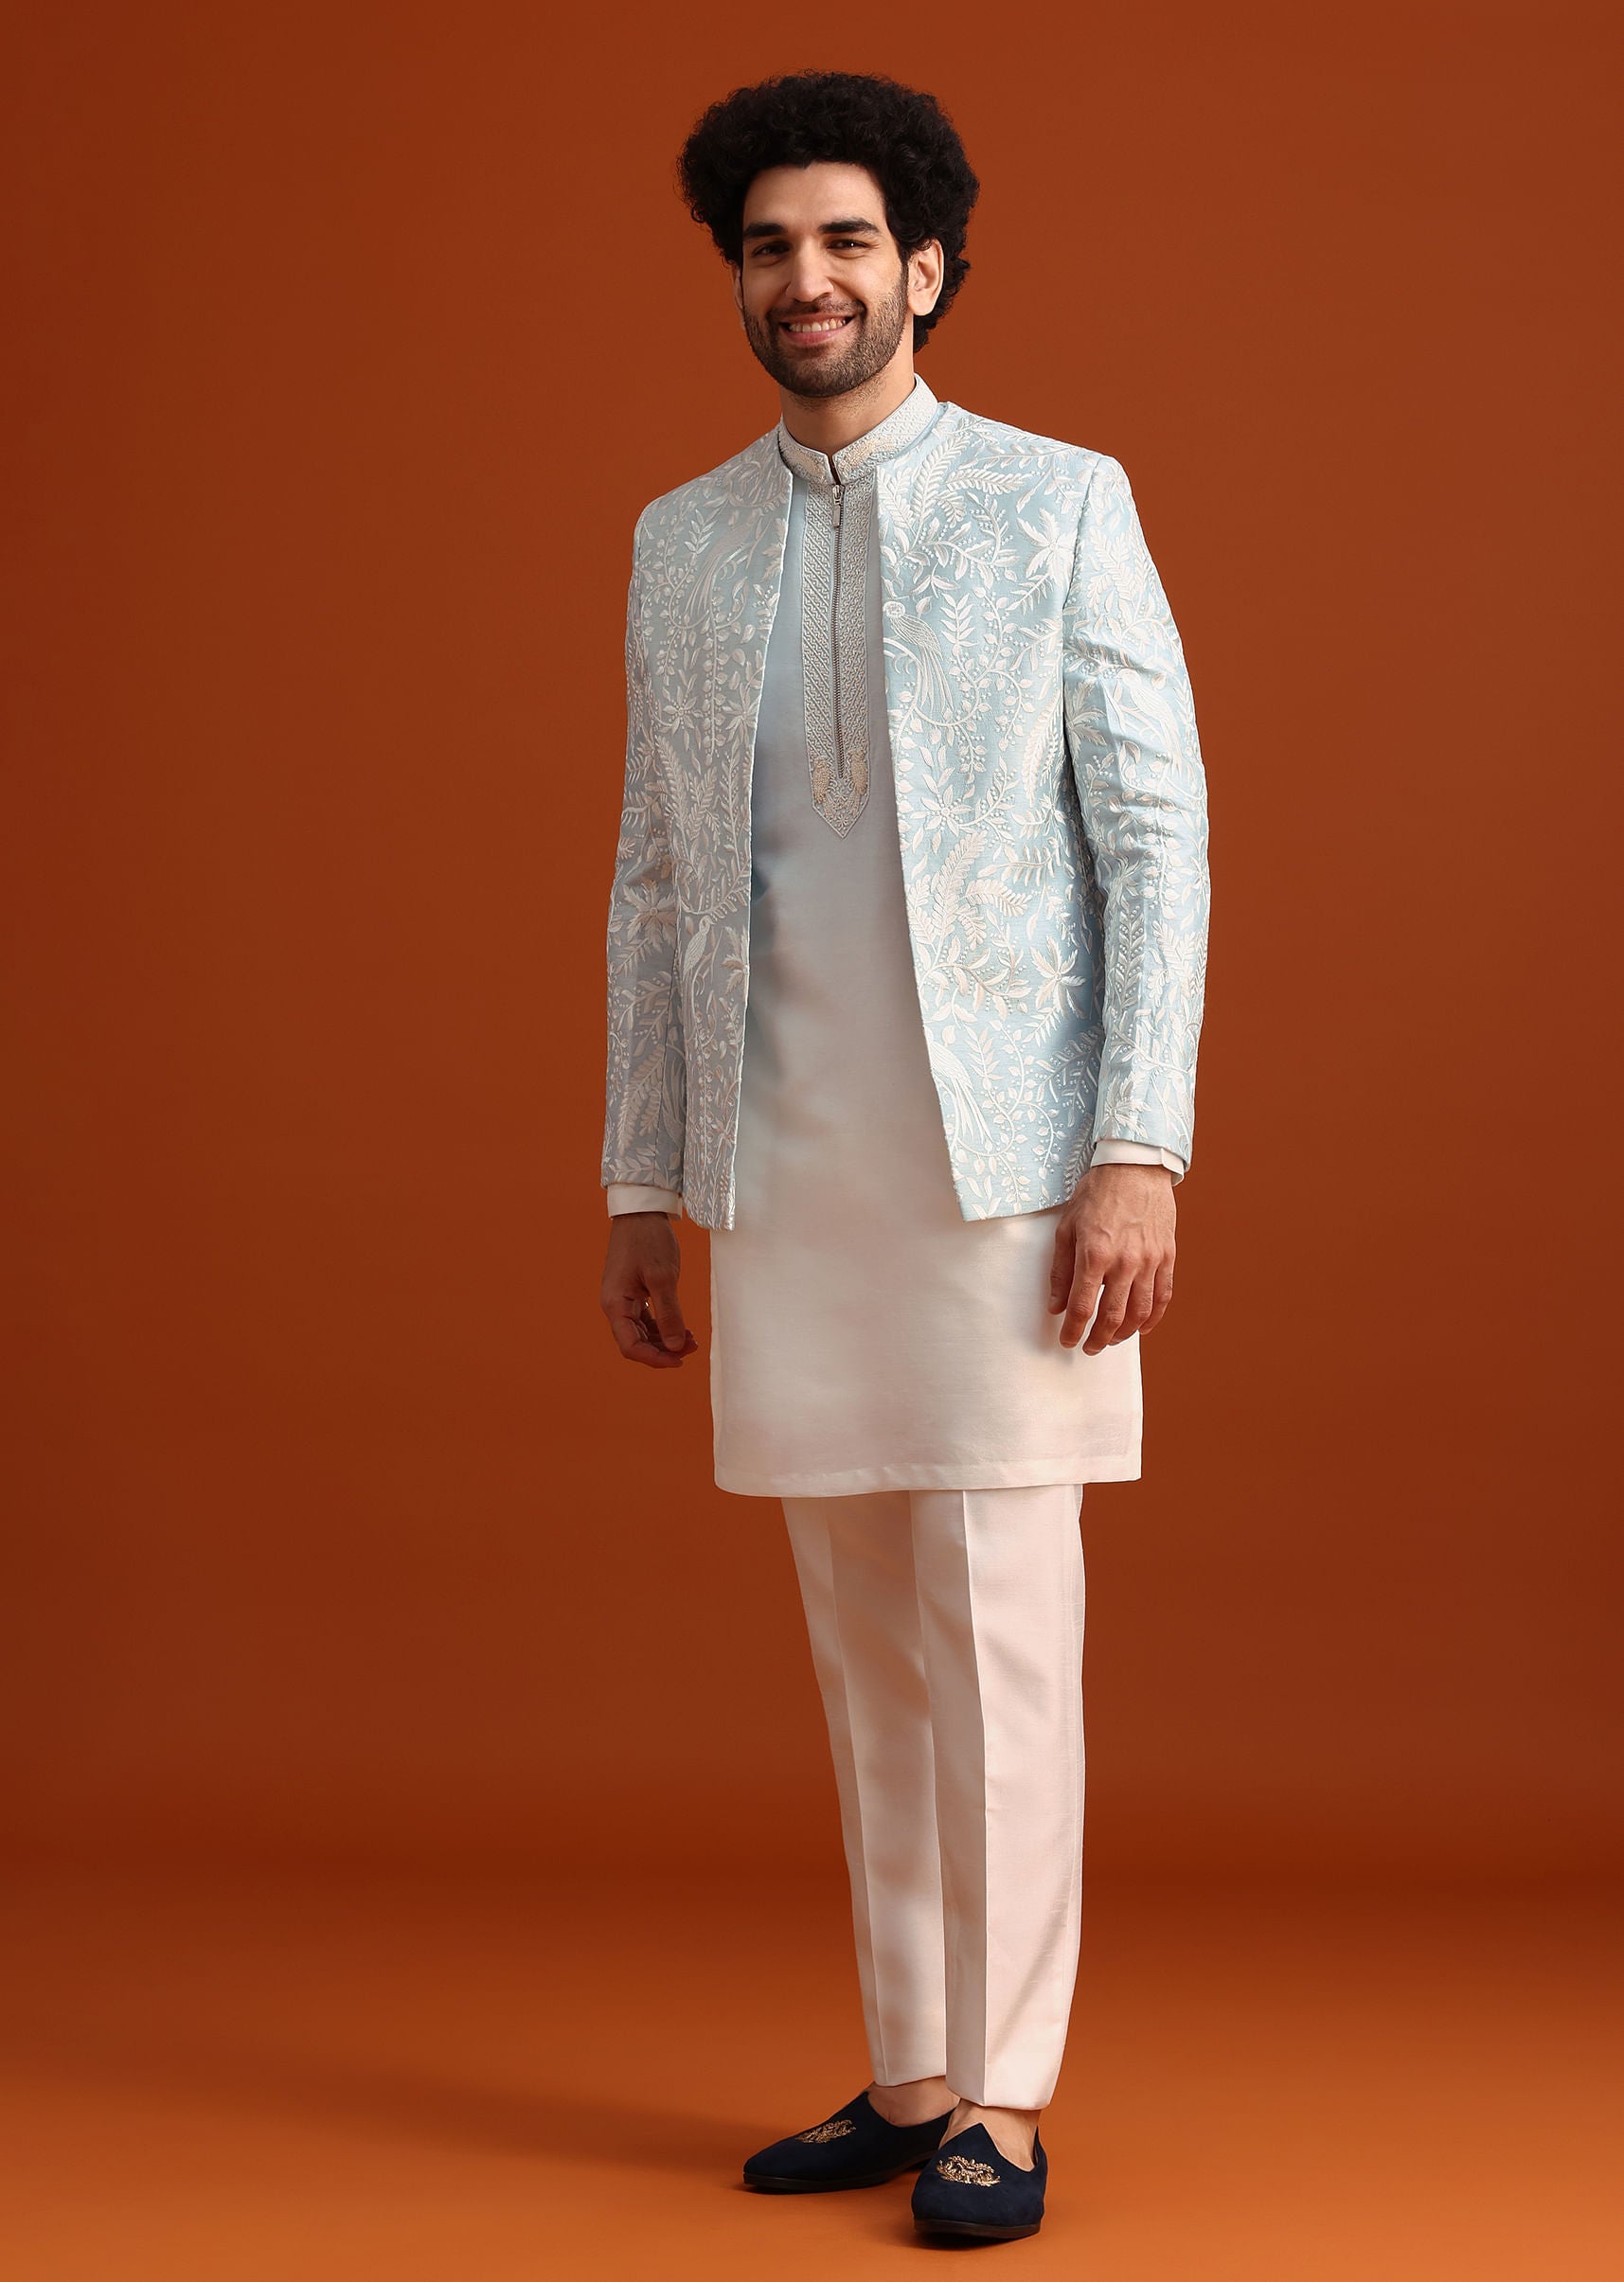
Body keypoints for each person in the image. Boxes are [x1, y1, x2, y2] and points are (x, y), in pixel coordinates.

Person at [598, 69, 1209, 2244]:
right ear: (740, 280)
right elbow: (655, 877)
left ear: (925, 268)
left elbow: (1156, 839)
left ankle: (1008, 2096)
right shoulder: (683, 540)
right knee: (867, 1650)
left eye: (849, 241)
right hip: (785, 1174)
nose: (811, 278)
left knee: (1002, 1636)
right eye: (772, 246)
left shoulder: (1057, 503)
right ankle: (915, 2065)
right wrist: (641, 1180)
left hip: (1006, 1178)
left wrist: (1139, 1146)